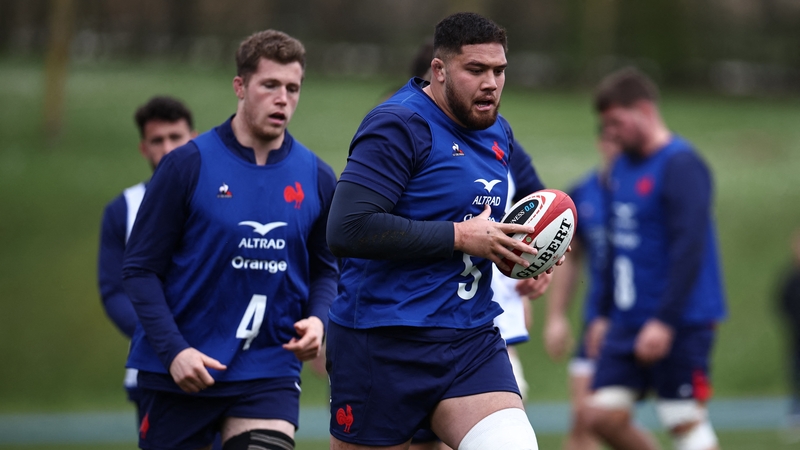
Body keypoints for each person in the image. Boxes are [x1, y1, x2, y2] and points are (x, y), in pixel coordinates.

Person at [326, 12, 554, 450]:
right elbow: (347, 228)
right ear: (439, 69)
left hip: (470, 338)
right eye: (476, 70)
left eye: (499, 71)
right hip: (384, 341)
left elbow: (500, 221)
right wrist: (459, 237)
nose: (491, 83)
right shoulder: (398, 124)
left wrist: (535, 252)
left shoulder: (498, 132)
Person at [121, 29, 338, 450]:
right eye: (269, 85)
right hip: (181, 371)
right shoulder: (186, 166)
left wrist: (318, 320)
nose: (282, 99)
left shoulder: (317, 177)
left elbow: (326, 269)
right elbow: (140, 270)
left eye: (292, 88)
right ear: (240, 87)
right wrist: (174, 351)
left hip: (268, 369)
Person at [583, 67, 727, 450]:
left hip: (680, 321)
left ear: (644, 110)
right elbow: (615, 246)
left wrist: (664, 321)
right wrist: (602, 313)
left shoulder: (681, 165)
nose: (611, 132)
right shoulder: (620, 167)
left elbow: (689, 248)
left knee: (684, 422)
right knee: (598, 416)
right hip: (627, 320)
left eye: (617, 122)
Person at [97, 95, 196, 422]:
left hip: (225, 363)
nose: (167, 148)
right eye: (157, 140)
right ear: (143, 148)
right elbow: (114, 291)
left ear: (194, 138)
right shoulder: (123, 209)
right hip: (154, 368)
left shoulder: (222, 199)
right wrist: (166, 339)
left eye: (176, 137)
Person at [542, 129, 620, 450]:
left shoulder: (652, 192)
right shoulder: (584, 194)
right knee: (582, 425)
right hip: (596, 325)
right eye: (612, 138)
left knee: (682, 419)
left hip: (645, 322)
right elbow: (570, 257)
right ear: (601, 142)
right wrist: (556, 317)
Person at [776, 230, 800, 437]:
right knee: (796, 374)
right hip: (797, 338)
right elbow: (782, 303)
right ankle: (796, 413)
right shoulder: (791, 280)